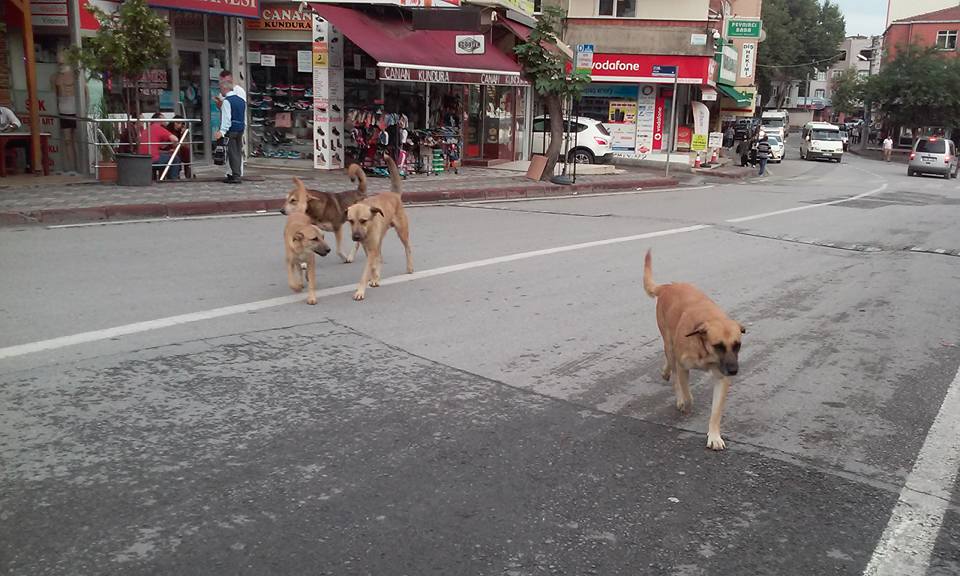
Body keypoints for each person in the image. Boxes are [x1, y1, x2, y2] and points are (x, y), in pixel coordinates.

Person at [214, 79, 247, 184]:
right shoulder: (241, 101)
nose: (220, 91)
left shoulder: (227, 101)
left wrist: (222, 131)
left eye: (220, 89)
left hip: (231, 129)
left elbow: (226, 118)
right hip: (240, 128)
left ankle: (235, 175)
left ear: (225, 88)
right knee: (237, 151)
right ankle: (236, 173)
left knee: (232, 153)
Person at [139, 114, 181, 179]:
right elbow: (175, 139)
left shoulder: (147, 129)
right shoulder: (159, 128)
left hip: (143, 158)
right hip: (153, 159)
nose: (165, 120)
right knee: (175, 159)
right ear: (159, 119)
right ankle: (173, 179)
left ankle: (164, 177)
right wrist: (175, 145)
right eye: (164, 118)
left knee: (166, 155)